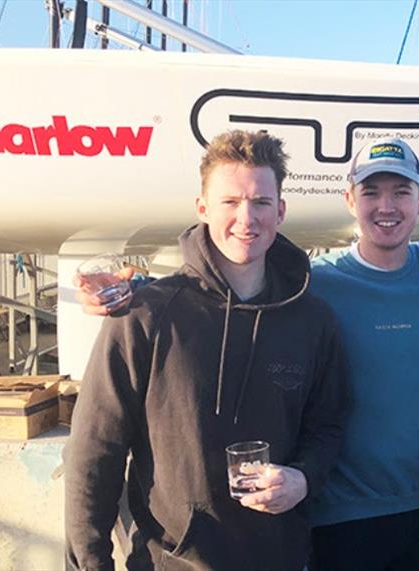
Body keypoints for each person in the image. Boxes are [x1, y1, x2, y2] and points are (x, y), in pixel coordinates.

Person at [77, 137, 419, 570]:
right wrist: (131, 292)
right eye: (371, 191)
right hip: (336, 516)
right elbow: (98, 446)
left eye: (400, 191)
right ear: (349, 199)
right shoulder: (317, 285)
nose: (386, 206)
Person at [64, 130, 349, 571]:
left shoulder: (313, 320)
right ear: (202, 209)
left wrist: (303, 477)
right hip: (170, 561)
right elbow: (94, 451)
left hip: (282, 558)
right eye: (230, 202)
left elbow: (327, 427)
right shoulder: (145, 315)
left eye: (260, 203)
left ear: (281, 210)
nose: (246, 218)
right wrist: (88, 563)